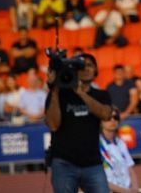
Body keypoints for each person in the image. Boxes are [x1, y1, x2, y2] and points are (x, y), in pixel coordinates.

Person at [45, 53, 113, 193]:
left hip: (92, 163)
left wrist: (81, 93)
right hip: (63, 163)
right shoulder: (59, 94)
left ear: (95, 70)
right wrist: (55, 88)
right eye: (82, 66)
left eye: (90, 65)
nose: (86, 69)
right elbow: (53, 124)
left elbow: (106, 115)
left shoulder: (101, 94)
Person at [100, 107, 140, 193]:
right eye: (108, 118)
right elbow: (98, 179)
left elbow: (130, 168)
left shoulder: (120, 142)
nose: (112, 120)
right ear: (101, 121)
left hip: (127, 189)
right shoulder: (96, 144)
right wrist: (126, 192)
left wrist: (135, 189)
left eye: (116, 117)